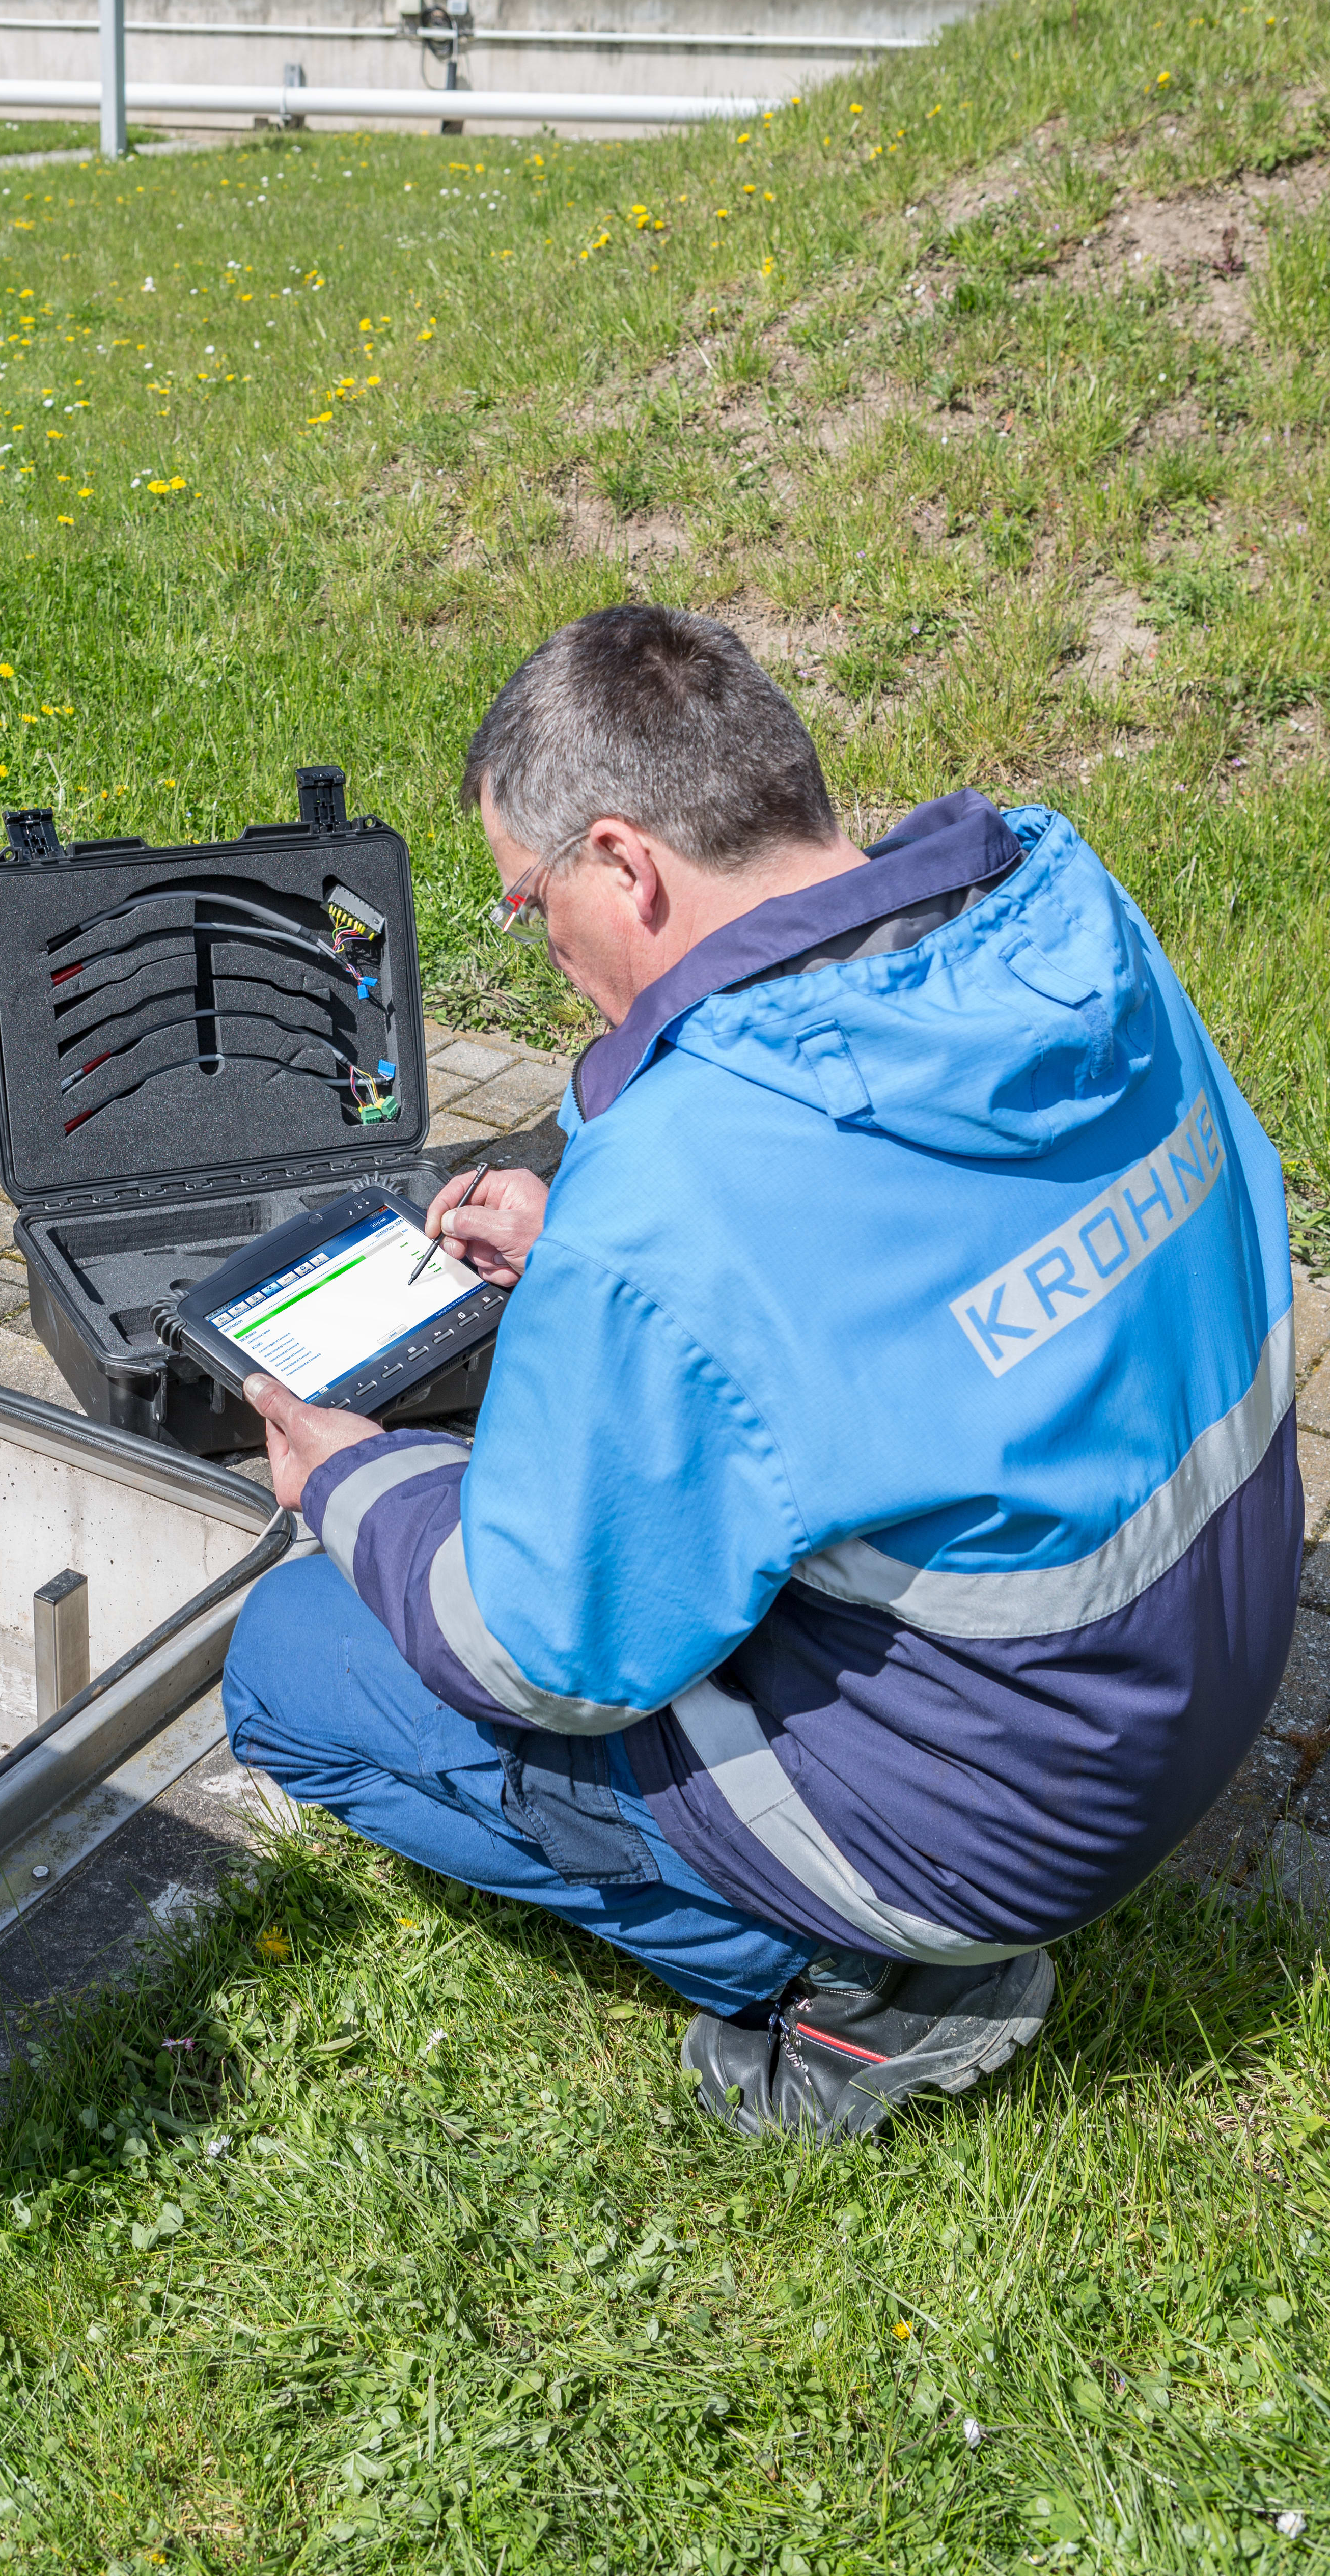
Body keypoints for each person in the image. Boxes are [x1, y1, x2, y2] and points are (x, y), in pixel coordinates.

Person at [222, 603, 1300, 2141]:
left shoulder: (690, 1176)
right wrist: (595, 1246)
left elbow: (547, 1656)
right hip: (1209, 1658)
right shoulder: (1066, 934)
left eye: (530, 907)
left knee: (291, 1661)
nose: (547, 952)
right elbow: (901, 1279)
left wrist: (359, 1482)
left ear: (626, 865)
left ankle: (867, 1987)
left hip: (1010, 1821)